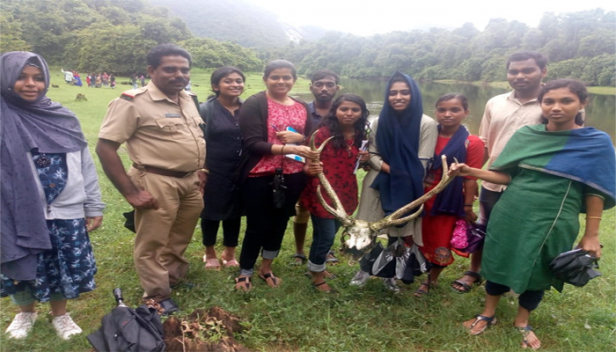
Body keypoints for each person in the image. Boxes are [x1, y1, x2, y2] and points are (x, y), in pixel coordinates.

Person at [450, 79, 615, 350]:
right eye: (549, 101)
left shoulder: (595, 142)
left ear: (583, 103)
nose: (556, 107)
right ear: (541, 104)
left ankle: (522, 320)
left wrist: (592, 234)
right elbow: (506, 175)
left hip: (556, 218)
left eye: (566, 101)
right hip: (511, 210)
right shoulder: (528, 135)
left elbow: (594, 191)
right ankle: (487, 313)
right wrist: (472, 171)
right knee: (499, 257)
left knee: (540, 267)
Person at [96, 44, 206, 314]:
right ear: (152, 70)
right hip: (156, 180)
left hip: (190, 180)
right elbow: (105, 147)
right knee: (153, 241)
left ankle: (173, 278)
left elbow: (195, 139)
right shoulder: (132, 101)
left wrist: (202, 170)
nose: (179, 74)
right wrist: (130, 193)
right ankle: (156, 295)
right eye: (170, 69)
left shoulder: (189, 98)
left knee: (181, 235)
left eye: (184, 70)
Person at [1, 52, 105, 340]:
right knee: (21, 261)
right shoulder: (3, 115)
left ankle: (61, 314)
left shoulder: (63, 116)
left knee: (63, 264)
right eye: (21, 77)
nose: (30, 83)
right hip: (15, 211)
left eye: (38, 77)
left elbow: (85, 163)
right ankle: (25, 312)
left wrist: (93, 204)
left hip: (66, 209)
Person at [451, 51, 549, 293]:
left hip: (532, 184)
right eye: (513, 71)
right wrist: (471, 178)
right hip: (493, 180)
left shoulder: (553, 103)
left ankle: (512, 276)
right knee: (485, 225)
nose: (520, 76)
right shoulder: (495, 102)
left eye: (528, 70)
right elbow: (484, 143)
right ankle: (474, 270)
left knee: (523, 231)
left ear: (543, 71)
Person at [234, 59, 319, 292]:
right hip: (259, 174)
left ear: (294, 80)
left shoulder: (302, 106)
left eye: (286, 77)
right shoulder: (255, 103)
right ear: (265, 79)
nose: (281, 81)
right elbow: (252, 143)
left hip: (293, 174)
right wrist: (289, 148)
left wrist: (299, 140)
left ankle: (266, 268)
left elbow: (309, 138)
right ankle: (245, 271)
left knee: (279, 222)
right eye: (275, 77)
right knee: (257, 225)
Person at [352, 71, 437, 292]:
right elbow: (371, 153)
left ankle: (389, 273)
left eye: (404, 92)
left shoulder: (426, 124)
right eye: (393, 93)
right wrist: (393, 169)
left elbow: (422, 162)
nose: (398, 97)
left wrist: (395, 171)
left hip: (409, 185)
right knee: (368, 227)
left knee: (396, 230)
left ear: (414, 94)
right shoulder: (379, 122)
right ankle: (363, 269)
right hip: (377, 182)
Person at [414, 94, 484, 297]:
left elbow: (470, 177)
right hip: (419, 195)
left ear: (466, 113)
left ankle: (431, 280)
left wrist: (468, 207)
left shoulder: (472, 143)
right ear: (435, 112)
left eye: (455, 110)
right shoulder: (427, 134)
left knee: (440, 239)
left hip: (448, 200)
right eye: (442, 110)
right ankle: (410, 269)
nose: (447, 114)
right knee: (417, 236)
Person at [301, 94, 369, 292]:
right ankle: (316, 274)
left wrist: (365, 159)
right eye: (344, 109)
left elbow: (361, 167)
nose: (349, 113)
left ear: (362, 113)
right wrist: (309, 169)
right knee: (326, 236)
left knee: (332, 231)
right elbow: (306, 163)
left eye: (355, 110)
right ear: (335, 111)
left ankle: (317, 266)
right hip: (322, 192)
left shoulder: (361, 136)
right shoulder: (322, 134)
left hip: (346, 193)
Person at [291, 69, 340, 266]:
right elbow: (292, 141)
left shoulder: (342, 111)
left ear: (337, 88)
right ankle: (299, 250)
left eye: (329, 84)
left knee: (328, 210)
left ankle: (325, 248)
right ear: (311, 87)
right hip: (304, 169)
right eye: (319, 84)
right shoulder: (300, 110)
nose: (324, 88)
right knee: (302, 209)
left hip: (334, 172)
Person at [199, 67, 245, 270]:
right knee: (210, 212)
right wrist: (202, 168)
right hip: (213, 169)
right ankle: (209, 252)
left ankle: (230, 252)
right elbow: (198, 141)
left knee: (235, 211)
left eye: (238, 80)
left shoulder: (248, 108)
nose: (235, 84)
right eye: (228, 81)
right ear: (216, 86)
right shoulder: (205, 109)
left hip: (241, 170)